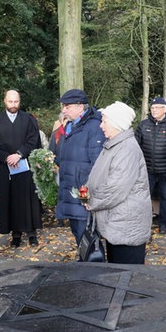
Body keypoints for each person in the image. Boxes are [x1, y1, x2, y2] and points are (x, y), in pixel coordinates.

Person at [84, 102, 152, 264]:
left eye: (104, 121)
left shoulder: (126, 149)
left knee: (126, 275)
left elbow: (115, 189)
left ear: (117, 124)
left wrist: (91, 202)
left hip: (126, 227)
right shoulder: (114, 145)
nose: (101, 126)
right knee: (116, 273)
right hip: (117, 223)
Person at [0, 90, 43, 247]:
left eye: (16, 102)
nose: (13, 105)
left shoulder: (28, 119)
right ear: (4, 101)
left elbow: (34, 139)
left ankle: (31, 232)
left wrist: (19, 154)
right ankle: (15, 233)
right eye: (10, 101)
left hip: (24, 166)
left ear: (20, 101)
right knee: (10, 200)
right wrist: (7, 157)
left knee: (28, 199)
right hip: (6, 168)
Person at [54, 89, 104, 243]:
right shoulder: (70, 126)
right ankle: (85, 264)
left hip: (83, 195)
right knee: (80, 237)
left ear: (80, 106)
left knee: (88, 240)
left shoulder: (94, 127)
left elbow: (98, 165)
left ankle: (92, 266)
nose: (64, 110)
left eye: (67, 106)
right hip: (70, 192)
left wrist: (87, 194)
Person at [135, 97, 166, 234]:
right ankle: (143, 222)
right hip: (146, 170)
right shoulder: (143, 125)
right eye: (152, 108)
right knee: (143, 197)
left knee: (165, 197)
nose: (154, 110)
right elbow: (135, 147)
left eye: (157, 108)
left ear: (164, 109)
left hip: (165, 170)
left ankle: (163, 223)